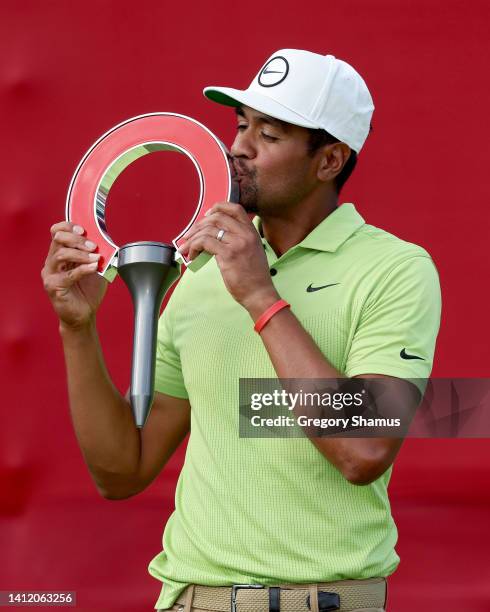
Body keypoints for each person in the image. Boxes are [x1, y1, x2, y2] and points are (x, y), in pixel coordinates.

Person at [42, 49, 442, 612]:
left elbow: (364, 447)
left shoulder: (396, 268)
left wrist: (259, 295)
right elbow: (123, 470)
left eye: (270, 135)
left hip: (324, 600)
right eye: (240, 125)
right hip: (188, 597)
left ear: (329, 160)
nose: (238, 148)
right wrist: (76, 330)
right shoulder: (200, 271)